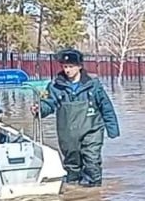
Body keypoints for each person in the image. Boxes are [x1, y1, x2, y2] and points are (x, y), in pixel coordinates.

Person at [32, 48, 120, 186]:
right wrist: (39, 109)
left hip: (92, 130)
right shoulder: (55, 86)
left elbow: (106, 107)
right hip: (68, 133)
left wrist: (112, 129)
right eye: (65, 67)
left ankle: (94, 194)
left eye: (71, 67)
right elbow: (49, 104)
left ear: (79, 66)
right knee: (72, 165)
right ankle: (74, 195)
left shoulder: (93, 85)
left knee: (92, 162)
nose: (67, 70)